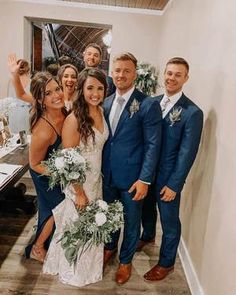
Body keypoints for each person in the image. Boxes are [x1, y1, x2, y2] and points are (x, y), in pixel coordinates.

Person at [43, 68, 109, 287]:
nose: (95, 93)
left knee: (92, 226)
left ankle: (89, 268)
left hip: (96, 180)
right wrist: (79, 192)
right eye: (90, 88)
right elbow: (69, 160)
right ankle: (74, 272)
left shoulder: (101, 111)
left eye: (100, 88)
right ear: (81, 89)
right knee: (77, 228)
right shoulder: (73, 119)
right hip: (79, 184)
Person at [102, 52, 162, 284]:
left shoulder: (147, 104)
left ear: (135, 74)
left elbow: (152, 145)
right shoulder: (105, 102)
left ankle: (125, 261)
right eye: (117, 70)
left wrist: (145, 179)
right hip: (107, 175)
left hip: (133, 179)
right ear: (112, 72)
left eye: (126, 70)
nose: (121, 75)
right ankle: (109, 248)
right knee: (107, 217)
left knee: (131, 221)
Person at [142, 57, 204, 282]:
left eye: (178, 75)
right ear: (164, 74)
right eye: (169, 73)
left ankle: (166, 262)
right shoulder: (151, 102)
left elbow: (187, 153)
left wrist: (175, 185)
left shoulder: (192, 112)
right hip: (146, 174)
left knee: (169, 221)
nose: (172, 78)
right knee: (146, 209)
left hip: (168, 178)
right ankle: (147, 236)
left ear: (185, 78)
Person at [25, 72, 66, 262]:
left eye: (57, 89)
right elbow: (33, 163)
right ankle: (37, 247)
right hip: (43, 172)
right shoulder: (42, 130)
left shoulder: (65, 111)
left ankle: (51, 243)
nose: (56, 95)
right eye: (48, 93)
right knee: (58, 208)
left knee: (54, 209)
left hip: (57, 168)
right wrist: (61, 172)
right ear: (41, 100)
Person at [8, 55, 78, 112]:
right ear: (60, 80)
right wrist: (15, 75)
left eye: (73, 77)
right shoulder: (48, 98)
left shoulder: (81, 98)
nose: (70, 79)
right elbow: (22, 95)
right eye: (66, 76)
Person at [7, 57, 31, 133]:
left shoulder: (11, 81)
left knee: (14, 139)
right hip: (27, 113)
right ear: (28, 69)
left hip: (13, 113)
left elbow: (9, 99)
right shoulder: (31, 81)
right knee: (27, 138)